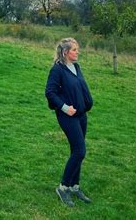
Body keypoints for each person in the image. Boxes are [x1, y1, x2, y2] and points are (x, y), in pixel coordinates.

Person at [45, 38, 93, 207]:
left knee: (76, 150)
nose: (77, 52)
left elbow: (80, 87)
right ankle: (63, 187)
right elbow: (50, 92)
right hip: (68, 116)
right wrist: (65, 108)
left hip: (81, 115)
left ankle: (74, 186)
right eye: (74, 49)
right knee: (80, 151)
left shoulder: (76, 67)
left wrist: (87, 103)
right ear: (65, 52)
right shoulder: (57, 70)